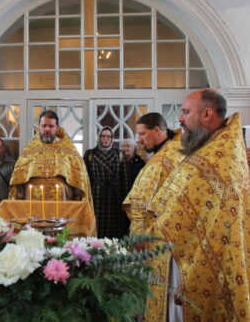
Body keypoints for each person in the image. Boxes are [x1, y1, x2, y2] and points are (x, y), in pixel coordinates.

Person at [146, 89, 250, 321]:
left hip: (195, 263)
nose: (180, 118)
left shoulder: (217, 159)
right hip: (183, 253)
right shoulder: (213, 149)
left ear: (207, 113)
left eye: (185, 111)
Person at [121, 112, 184, 322]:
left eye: (142, 134)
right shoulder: (163, 153)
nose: (138, 139)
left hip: (162, 239)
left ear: (157, 130)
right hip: (149, 236)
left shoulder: (172, 155)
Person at [9, 110, 92, 204]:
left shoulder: (68, 150)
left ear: (57, 128)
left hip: (61, 198)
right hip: (33, 197)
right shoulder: (29, 150)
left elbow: (79, 179)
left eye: (51, 126)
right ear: (39, 126)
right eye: (44, 126)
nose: (47, 129)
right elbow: (19, 178)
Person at [84, 127, 125, 238]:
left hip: (114, 195)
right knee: (97, 223)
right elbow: (85, 177)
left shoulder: (119, 155)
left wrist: (125, 199)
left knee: (114, 225)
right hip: (97, 193)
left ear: (112, 139)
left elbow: (124, 179)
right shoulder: (90, 154)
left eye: (108, 136)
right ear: (99, 138)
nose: (105, 139)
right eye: (103, 136)